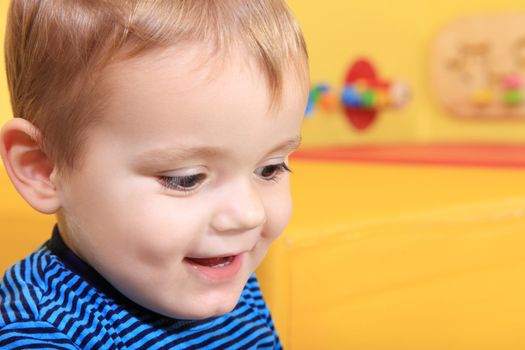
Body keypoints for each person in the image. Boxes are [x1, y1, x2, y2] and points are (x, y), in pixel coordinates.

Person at [0, 0, 308, 348]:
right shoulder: (41, 332)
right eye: (186, 179)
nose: (249, 214)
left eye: (269, 169)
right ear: (43, 168)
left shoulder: (225, 273)